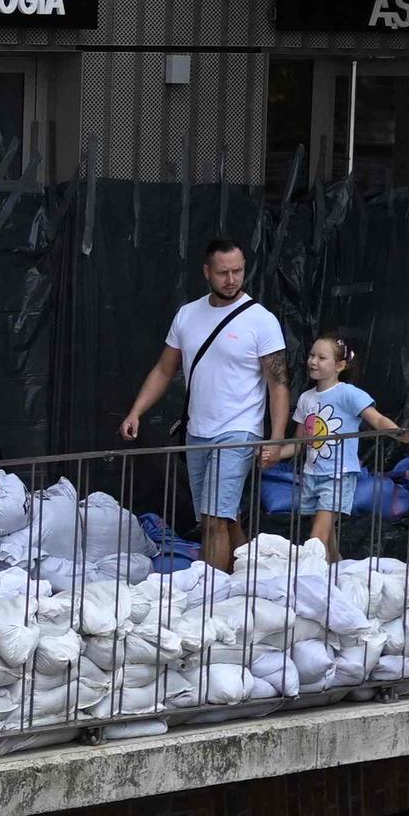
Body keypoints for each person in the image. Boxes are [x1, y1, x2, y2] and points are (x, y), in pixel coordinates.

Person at [121, 237, 286, 573]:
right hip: (197, 432)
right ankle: (251, 576)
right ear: (207, 272)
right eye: (223, 272)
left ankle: (209, 598)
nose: (232, 279)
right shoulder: (188, 315)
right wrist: (136, 411)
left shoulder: (261, 320)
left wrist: (277, 438)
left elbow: (278, 384)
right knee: (225, 516)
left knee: (212, 520)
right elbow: (165, 368)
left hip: (239, 432)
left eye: (238, 270)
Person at [290, 330, 409, 559]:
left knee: (317, 536)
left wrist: (397, 433)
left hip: (338, 475)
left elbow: (375, 418)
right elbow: (299, 443)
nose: (313, 361)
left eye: (321, 357)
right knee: (326, 537)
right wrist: (273, 454)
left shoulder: (348, 394)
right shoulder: (305, 398)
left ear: (340, 365)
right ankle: (334, 567)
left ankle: (312, 581)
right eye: (311, 355)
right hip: (311, 474)